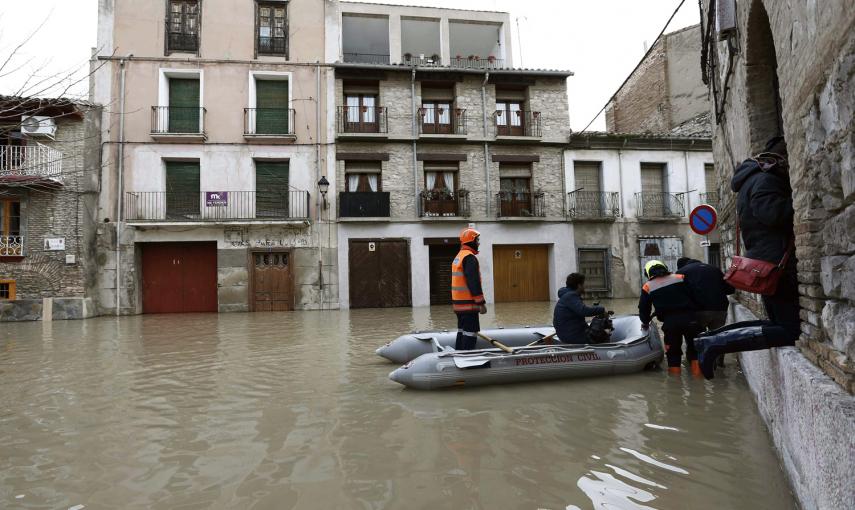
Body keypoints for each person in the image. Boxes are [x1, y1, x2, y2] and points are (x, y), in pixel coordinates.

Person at [695, 137, 799, 379]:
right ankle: (714, 344)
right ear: (781, 158)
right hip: (775, 265)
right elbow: (772, 214)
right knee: (789, 330)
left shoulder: (751, 182)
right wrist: (799, 199)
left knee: (776, 324)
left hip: (767, 263)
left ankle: (710, 339)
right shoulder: (766, 180)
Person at [638, 260, 702, 375]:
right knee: (695, 352)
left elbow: (643, 309)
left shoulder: (647, 286)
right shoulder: (681, 277)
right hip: (691, 319)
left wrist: (645, 322)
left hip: (670, 323)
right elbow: (696, 294)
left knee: (673, 355)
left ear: (647, 273)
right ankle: (699, 383)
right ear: (665, 267)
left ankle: (676, 386)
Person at [677, 257, 734, 367]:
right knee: (718, 338)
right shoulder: (715, 269)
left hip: (697, 312)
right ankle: (719, 365)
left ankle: (697, 366)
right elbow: (730, 289)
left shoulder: (681, 272)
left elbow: (678, 294)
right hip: (719, 309)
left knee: (695, 339)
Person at [451, 227, 487, 350]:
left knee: (462, 332)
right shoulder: (469, 258)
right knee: (470, 333)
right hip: (469, 305)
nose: (479, 243)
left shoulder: (459, 256)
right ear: (471, 241)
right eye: (477, 240)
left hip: (459, 306)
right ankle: (466, 358)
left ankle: (459, 353)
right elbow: (473, 282)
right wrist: (481, 303)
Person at [553, 273, 606, 344]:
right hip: (573, 336)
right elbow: (584, 311)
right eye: (583, 284)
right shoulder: (571, 296)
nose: (585, 286)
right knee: (605, 332)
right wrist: (601, 309)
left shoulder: (566, 296)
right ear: (579, 285)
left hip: (566, 334)